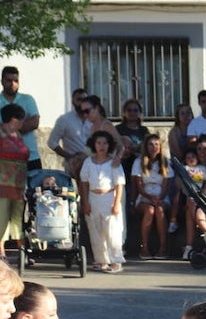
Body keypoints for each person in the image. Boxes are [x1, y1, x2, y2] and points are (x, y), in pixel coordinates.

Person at [0, 104, 30, 257]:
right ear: (13, 119)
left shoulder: (18, 136)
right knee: (2, 219)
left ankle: (22, 253)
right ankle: (1, 253)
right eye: (21, 119)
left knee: (17, 219)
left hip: (17, 185)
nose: (23, 122)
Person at [79, 130, 126, 273]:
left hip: (109, 197)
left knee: (112, 230)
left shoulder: (113, 162)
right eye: (99, 143)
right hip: (93, 197)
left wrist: (117, 203)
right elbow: (84, 183)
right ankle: (101, 260)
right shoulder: (88, 162)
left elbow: (119, 184)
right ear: (94, 144)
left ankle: (116, 260)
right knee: (95, 229)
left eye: (105, 143)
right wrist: (85, 202)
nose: (102, 146)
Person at [0, 66, 41, 170]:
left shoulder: (28, 99)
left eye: (16, 80)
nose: (12, 84)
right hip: (6, 158)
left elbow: (35, 122)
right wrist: (22, 126)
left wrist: (8, 127)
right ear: (2, 81)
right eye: (9, 80)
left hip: (31, 157)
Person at [131, 133, 174, 259]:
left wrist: (159, 198)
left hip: (161, 195)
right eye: (150, 144)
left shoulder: (166, 162)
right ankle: (144, 247)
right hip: (144, 195)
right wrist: (149, 198)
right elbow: (138, 185)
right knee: (150, 210)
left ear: (160, 147)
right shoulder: (138, 162)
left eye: (156, 144)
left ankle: (163, 248)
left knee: (159, 210)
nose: (153, 147)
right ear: (146, 146)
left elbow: (166, 185)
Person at [48, 88, 91, 179]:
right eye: (79, 99)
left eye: (84, 99)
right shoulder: (64, 120)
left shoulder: (93, 119)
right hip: (74, 165)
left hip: (93, 163)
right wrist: (69, 156)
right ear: (73, 101)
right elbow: (52, 142)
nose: (82, 102)